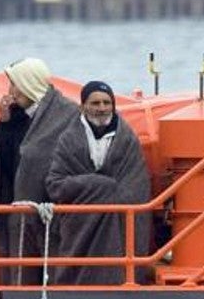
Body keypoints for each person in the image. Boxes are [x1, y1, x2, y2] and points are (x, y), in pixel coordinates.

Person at [0, 57, 79, 285]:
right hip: (19, 211)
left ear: (29, 83)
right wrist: (5, 124)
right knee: (19, 270)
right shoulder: (16, 116)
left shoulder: (66, 114)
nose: (10, 91)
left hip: (50, 212)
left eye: (15, 84)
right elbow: (8, 161)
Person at [48, 81, 153, 285]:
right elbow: (55, 184)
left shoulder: (127, 140)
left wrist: (111, 195)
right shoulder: (68, 140)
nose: (102, 108)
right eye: (95, 103)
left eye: (107, 103)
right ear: (83, 106)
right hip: (80, 220)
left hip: (120, 220)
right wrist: (97, 186)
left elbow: (136, 185)